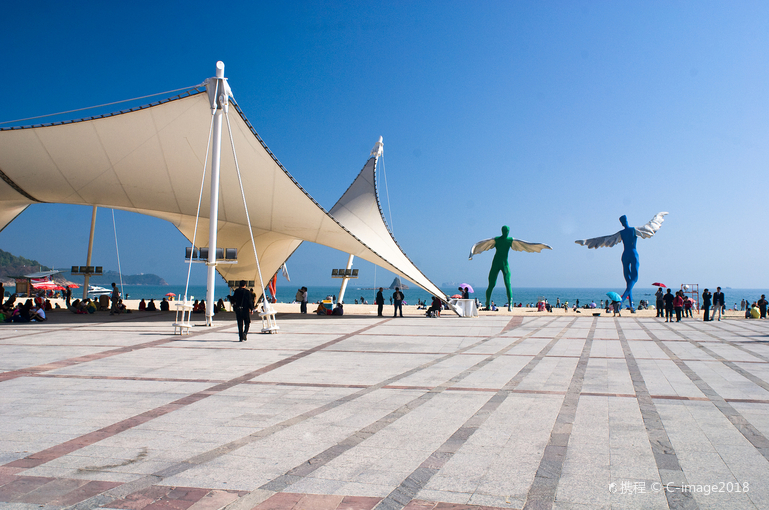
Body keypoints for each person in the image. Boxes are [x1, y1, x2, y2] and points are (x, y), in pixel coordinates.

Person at [575, 213, 667, 311]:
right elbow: (649, 227)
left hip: (625, 255)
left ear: (622, 223)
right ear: (626, 221)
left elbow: (604, 239)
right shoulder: (634, 230)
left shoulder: (621, 233)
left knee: (628, 282)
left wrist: (587, 241)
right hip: (633, 254)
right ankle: (621, 302)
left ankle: (632, 306)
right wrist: (658, 217)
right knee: (634, 279)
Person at [470, 226, 551, 311]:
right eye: (505, 231)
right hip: (496, 264)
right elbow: (480, 244)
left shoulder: (509, 240)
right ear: (503, 231)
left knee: (507, 284)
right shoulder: (497, 239)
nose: (506, 232)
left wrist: (542, 245)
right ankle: (488, 304)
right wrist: (471, 253)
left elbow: (527, 244)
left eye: (507, 231)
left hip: (504, 264)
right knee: (492, 285)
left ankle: (509, 305)